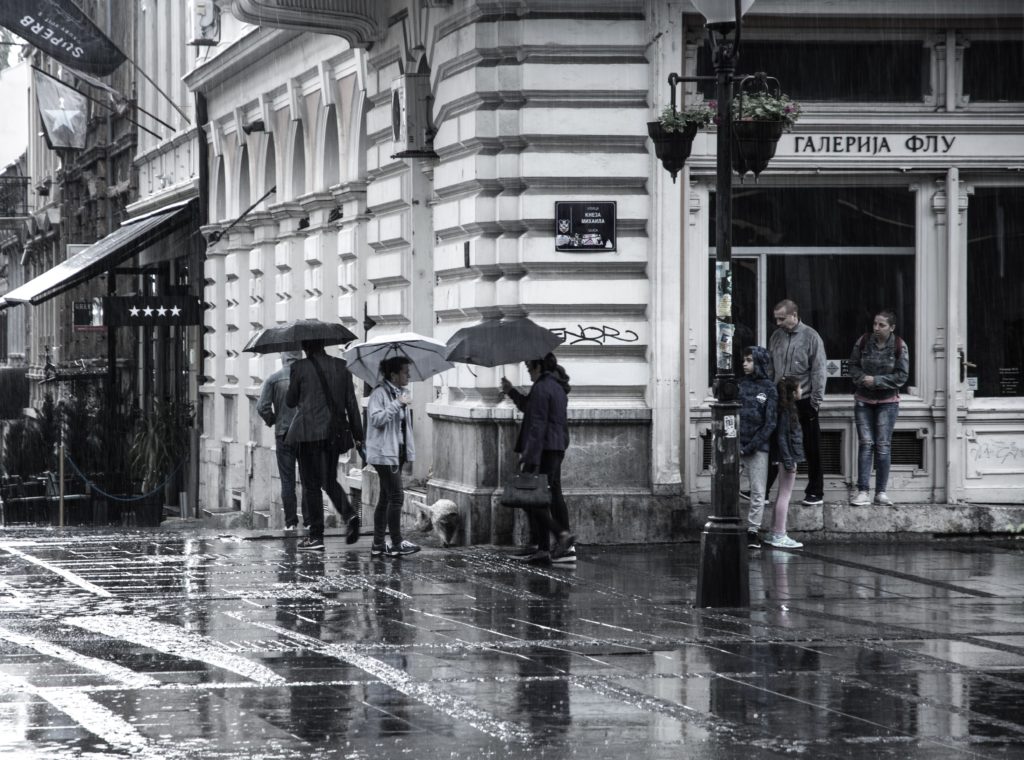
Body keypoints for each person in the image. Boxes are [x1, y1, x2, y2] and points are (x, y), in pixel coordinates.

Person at [285, 339, 364, 551]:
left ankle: (316, 535)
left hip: (307, 434)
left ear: (306, 347)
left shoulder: (298, 367)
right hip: (332, 434)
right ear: (324, 345)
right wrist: (359, 435)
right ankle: (350, 515)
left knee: (311, 485)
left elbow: (290, 401)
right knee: (328, 480)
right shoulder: (341, 366)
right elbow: (352, 405)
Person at [499, 353, 574, 565]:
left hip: (544, 448)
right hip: (555, 446)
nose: (528, 370)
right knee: (549, 495)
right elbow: (530, 408)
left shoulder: (542, 387)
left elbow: (537, 425)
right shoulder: (553, 385)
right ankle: (546, 546)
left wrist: (529, 457)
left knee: (534, 499)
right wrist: (511, 391)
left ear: (538, 365)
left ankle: (560, 538)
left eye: (529, 366)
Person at [767, 299, 827, 506]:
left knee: (811, 446)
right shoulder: (776, 337)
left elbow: (819, 370)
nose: (778, 323)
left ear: (794, 315)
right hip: (779, 399)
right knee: (775, 444)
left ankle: (816, 491)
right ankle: (763, 490)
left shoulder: (811, 337)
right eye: (776, 319)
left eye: (782, 318)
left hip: (804, 400)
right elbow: (770, 368)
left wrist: (815, 402)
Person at [848, 310, 909, 507]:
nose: (876, 328)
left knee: (883, 446)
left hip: (888, 402)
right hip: (863, 400)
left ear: (892, 327)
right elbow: (853, 366)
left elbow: (902, 376)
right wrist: (861, 380)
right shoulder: (864, 341)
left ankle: (881, 492)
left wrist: (876, 381)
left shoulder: (899, 346)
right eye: (875, 324)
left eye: (881, 325)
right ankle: (863, 491)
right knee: (866, 444)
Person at [366, 356, 421, 557]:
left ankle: (378, 544)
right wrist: (397, 404)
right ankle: (396, 543)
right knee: (397, 496)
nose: (409, 375)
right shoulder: (379, 394)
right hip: (383, 453)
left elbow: (401, 427)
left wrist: (401, 401)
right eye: (406, 372)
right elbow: (376, 419)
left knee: (385, 498)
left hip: (396, 452)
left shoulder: (399, 393)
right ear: (393, 374)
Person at [256, 350, 304, 530]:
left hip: (283, 434)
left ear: (284, 358)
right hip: (305, 434)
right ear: (300, 357)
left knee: (287, 480)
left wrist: (273, 419)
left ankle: (291, 522)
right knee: (308, 480)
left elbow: (262, 407)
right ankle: (308, 521)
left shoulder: (273, 379)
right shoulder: (307, 378)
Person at [738, 346, 777, 549]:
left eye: (750, 360)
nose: (745, 364)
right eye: (744, 360)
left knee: (758, 490)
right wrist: (736, 444)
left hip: (758, 447)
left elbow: (770, 422)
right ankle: (732, 523)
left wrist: (752, 445)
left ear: (760, 363)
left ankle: (753, 530)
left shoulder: (769, 388)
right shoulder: (740, 386)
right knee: (727, 485)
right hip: (736, 445)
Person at [765, 377, 804, 549]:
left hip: (785, 456)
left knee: (781, 494)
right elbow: (782, 437)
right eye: (800, 387)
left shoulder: (786, 410)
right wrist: (789, 460)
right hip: (787, 456)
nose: (802, 390)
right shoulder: (787, 412)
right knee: (785, 495)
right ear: (793, 392)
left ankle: (774, 531)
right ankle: (780, 534)